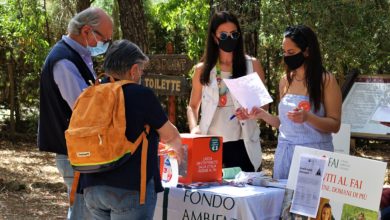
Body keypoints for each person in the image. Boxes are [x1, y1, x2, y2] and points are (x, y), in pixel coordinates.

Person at [78, 39, 184, 220]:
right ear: (133, 70)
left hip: (91, 185)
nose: (141, 75)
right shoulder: (140, 94)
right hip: (130, 188)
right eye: (141, 70)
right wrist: (179, 153)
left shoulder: (90, 92)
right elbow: (169, 135)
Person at [236, 25, 342, 179]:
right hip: (285, 154)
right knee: (283, 202)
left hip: (314, 156)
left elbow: (335, 125)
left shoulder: (326, 80)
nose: (286, 56)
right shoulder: (285, 80)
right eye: (284, 52)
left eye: (291, 52)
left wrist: (308, 117)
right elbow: (284, 123)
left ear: (307, 51)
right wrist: (262, 114)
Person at [38, 7, 113, 219]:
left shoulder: (77, 55)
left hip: (82, 154)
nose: (105, 45)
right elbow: (84, 111)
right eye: (104, 39)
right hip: (75, 155)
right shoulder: (64, 61)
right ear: (87, 31)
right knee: (83, 213)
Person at [187, 11, 266, 172]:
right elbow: (193, 106)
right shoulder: (202, 70)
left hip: (244, 143)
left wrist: (252, 112)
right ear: (214, 38)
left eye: (234, 34)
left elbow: (264, 108)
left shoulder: (252, 65)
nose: (229, 39)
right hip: (210, 143)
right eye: (223, 35)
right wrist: (194, 129)